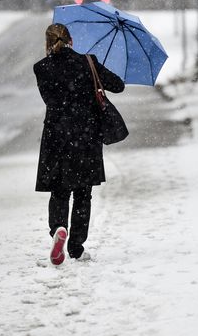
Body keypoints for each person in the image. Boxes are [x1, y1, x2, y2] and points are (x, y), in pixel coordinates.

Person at [33, 23, 125, 265]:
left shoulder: (41, 68)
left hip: (56, 138)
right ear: (71, 40)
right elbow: (118, 86)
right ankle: (75, 247)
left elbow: (50, 100)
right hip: (86, 137)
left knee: (59, 191)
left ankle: (58, 229)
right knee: (83, 194)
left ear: (47, 43)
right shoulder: (89, 62)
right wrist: (95, 72)